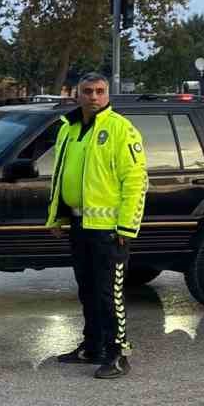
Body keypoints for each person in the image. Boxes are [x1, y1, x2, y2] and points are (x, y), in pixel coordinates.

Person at [45, 73, 148, 379]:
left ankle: (118, 353)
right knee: (87, 290)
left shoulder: (120, 129)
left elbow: (136, 181)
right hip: (79, 223)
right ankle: (92, 346)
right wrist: (57, 216)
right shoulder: (69, 128)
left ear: (107, 95)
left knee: (108, 294)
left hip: (109, 230)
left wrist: (126, 228)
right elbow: (61, 174)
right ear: (77, 94)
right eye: (87, 91)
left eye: (100, 91)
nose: (93, 97)